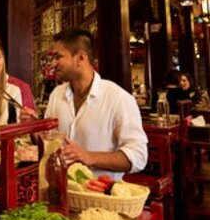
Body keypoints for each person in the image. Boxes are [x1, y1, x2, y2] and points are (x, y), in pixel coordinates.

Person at [45, 28, 148, 180]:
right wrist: (34, 126)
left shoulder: (118, 98)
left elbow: (139, 156)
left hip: (100, 195)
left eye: (58, 57)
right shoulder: (56, 95)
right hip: (60, 190)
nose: (53, 63)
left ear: (80, 58)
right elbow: (49, 140)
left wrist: (89, 157)